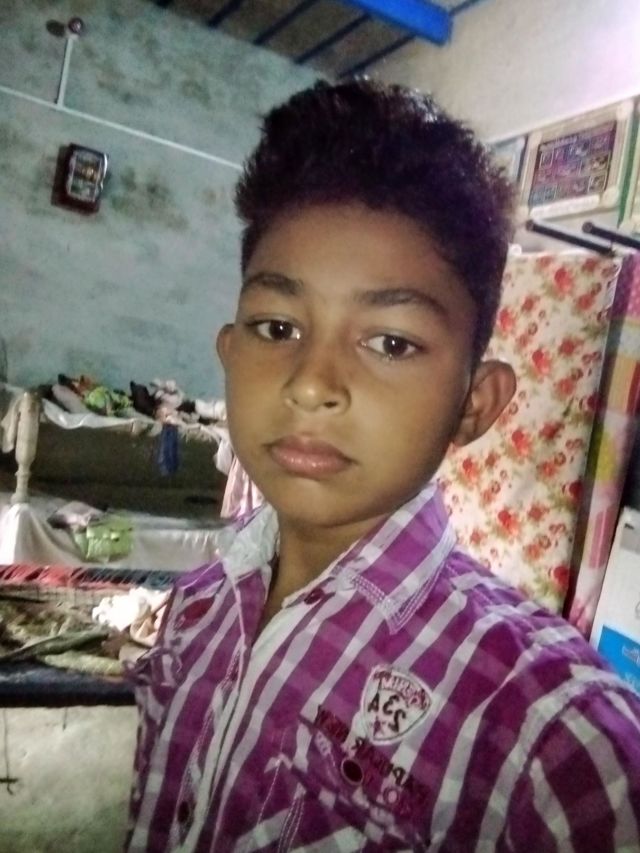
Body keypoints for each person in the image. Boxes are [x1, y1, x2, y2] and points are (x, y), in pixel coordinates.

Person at [125, 80, 640, 852]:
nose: (311, 384)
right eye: (277, 326)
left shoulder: (552, 735)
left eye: (391, 342)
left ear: (474, 403)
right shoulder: (196, 611)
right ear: (229, 353)